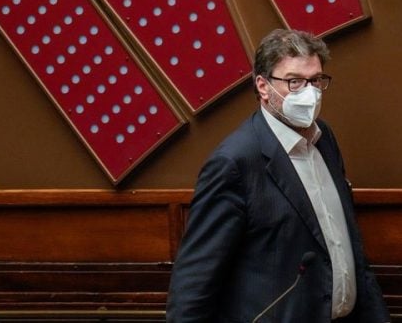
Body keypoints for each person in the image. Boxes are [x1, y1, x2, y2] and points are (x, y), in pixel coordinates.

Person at [167, 29, 390, 322]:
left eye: (316, 81)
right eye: (294, 82)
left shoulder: (325, 139)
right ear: (263, 86)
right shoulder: (234, 162)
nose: (308, 93)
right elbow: (194, 283)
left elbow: (344, 244)